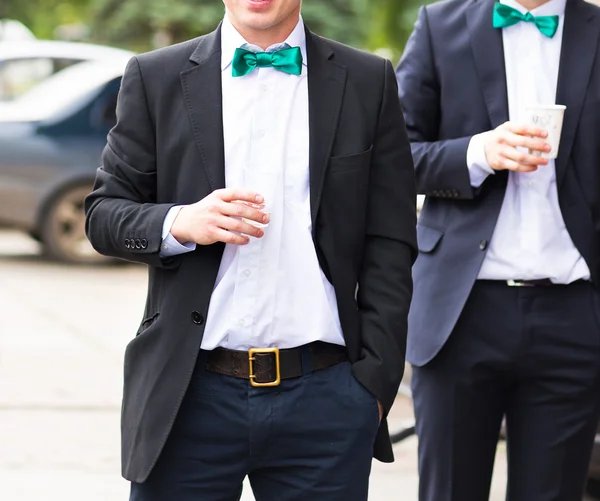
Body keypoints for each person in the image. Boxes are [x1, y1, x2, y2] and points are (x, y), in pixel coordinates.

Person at [85, 0, 417, 499]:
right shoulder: (156, 76)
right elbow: (103, 214)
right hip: (187, 396)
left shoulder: (368, 79)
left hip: (327, 397)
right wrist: (180, 222)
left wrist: (374, 382)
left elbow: (390, 240)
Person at [397, 0, 600, 499]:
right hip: (460, 313)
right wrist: (477, 153)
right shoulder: (439, 24)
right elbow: (392, 153)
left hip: (574, 312)